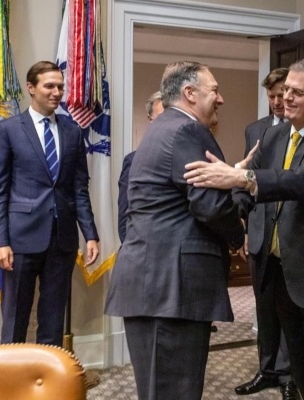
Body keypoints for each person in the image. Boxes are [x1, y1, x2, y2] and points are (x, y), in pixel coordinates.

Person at [184, 58, 304, 400]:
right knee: (298, 369)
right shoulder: (274, 136)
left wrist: (241, 176)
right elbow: (246, 187)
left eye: (297, 92)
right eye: (286, 89)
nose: (286, 97)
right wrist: (235, 216)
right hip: (277, 272)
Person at [104, 61, 244, 400]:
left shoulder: (162, 128)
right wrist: (239, 226)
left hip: (155, 284)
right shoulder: (187, 131)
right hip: (170, 287)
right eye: (214, 90)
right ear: (189, 93)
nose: (221, 98)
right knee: (173, 391)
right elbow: (209, 205)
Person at [0, 61, 100, 346]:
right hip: (20, 241)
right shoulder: (8, 130)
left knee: (53, 321)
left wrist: (90, 234)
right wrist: (2, 242)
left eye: (60, 87)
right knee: (15, 319)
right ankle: (11, 375)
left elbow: (79, 189)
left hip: (62, 241)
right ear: (31, 88)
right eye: (49, 86)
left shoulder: (73, 132)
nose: (57, 92)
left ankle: (46, 373)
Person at [234, 67, 298, 399]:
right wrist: (244, 229)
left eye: (281, 94)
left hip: (289, 235)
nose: (277, 101)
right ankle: (267, 369)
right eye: (271, 96)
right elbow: (248, 181)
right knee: (264, 306)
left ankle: (288, 375)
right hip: (259, 232)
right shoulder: (254, 130)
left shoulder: (301, 131)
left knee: (288, 308)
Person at [118, 91, 164, 243]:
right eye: (162, 117)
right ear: (150, 119)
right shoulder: (133, 161)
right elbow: (125, 215)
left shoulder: (186, 157)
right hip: (142, 248)